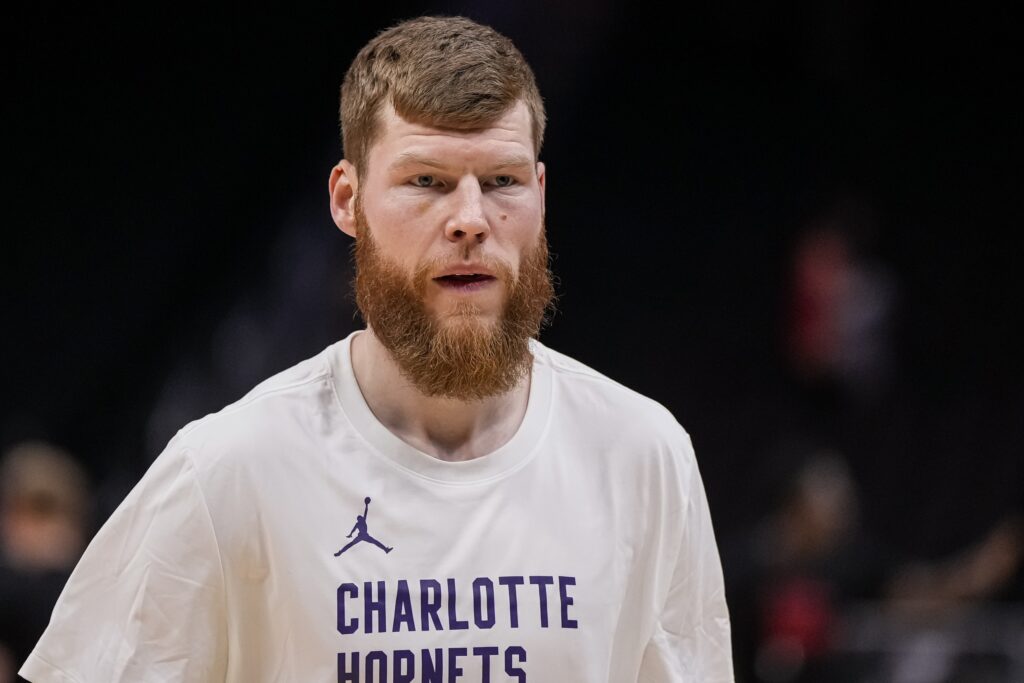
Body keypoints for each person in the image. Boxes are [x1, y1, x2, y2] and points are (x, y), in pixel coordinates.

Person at [21, 16, 733, 682]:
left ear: (541, 193)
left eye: (502, 181)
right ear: (346, 199)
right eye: (426, 182)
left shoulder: (643, 456)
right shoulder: (228, 471)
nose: (469, 219)